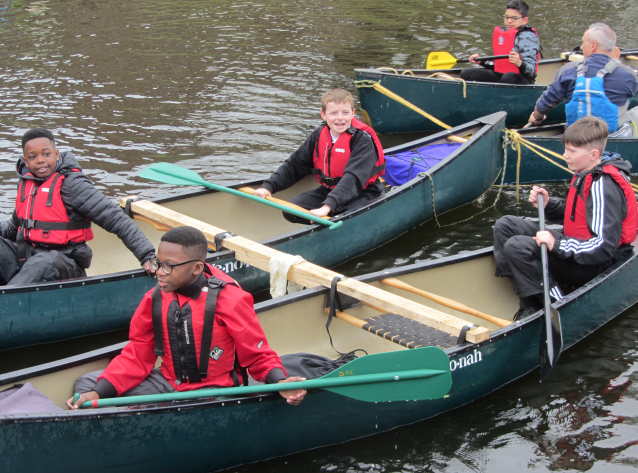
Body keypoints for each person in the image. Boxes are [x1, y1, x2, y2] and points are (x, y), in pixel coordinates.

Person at [67, 226, 306, 409]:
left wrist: (279, 382)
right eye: (157, 262)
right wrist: (100, 392)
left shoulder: (230, 300)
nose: (159, 271)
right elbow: (138, 353)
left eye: (169, 266)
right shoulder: (155, 298)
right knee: (88, 384)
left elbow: (257, 356)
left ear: (197, 268)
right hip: (169, 382)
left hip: (215, 390)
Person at [493, 117, 637, 320]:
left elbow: (603, 246)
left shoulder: (602, 186)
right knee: (505, 226)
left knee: (518, 246)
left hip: (594, 262)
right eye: (565, 149)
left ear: (594, 154)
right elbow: (577, 218)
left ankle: (558, 304)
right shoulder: (585, 172)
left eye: (572, 151)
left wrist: (557, 244)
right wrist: (548, 204)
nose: (565, 155)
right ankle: (530, 300)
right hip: (580, 249)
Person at [0, 128, 156, 285]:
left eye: (46, 154)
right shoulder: (28, 184)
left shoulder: (73, 185)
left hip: (66, 263)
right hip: (29, 256)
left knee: (43, 263)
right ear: (25, 161)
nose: (40, 160)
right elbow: (14, 226)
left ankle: (7, 301)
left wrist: (147, 255)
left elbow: (116, 219)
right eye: (33, 157)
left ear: (56, 154)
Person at [253, 89, 385, 224]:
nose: (340, 118)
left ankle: (330, 218)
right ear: (324, 115)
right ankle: (324, 221)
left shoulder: (362, 140)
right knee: (290, 211)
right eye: (333, 113)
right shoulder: (318, 135)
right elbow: (295, 164)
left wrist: (327, 206)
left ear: (352, 113)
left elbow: (353, 179)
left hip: (362, 192)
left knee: (348, 219)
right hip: (330, 190)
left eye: (345, 112)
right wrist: (268, 186)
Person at [529, 23, 638, 136]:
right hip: (612, 137)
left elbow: (545, 103)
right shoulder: (627, 74)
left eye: (583, 42)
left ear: (593, 45)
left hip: (576, 138)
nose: (581, 47)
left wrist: (537, 117)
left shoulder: (567, 70)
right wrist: (616, 61)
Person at [459, 1, 541, 85]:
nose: (509, 21)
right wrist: (481, 61)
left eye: (514, 18)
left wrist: (519, 63)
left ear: (524, 20)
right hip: (503, 77)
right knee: (466, 73)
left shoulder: (528, 37)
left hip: (522, 80)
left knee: (508, 77)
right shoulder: (504, 33)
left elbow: (531, 72)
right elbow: (499, 65)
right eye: (506, 17)